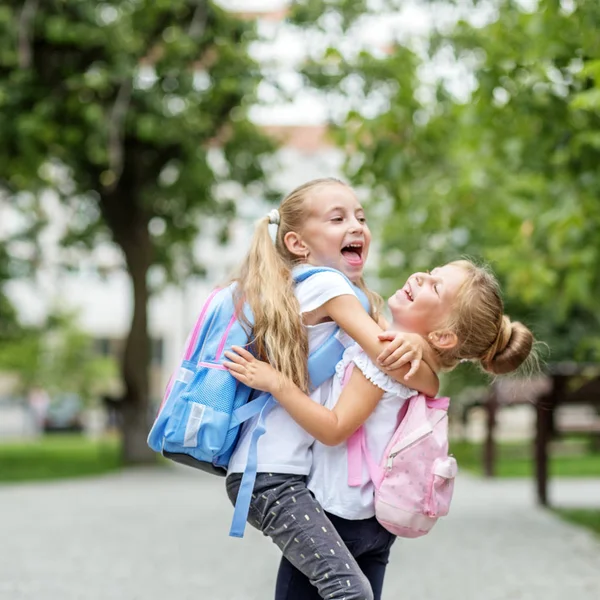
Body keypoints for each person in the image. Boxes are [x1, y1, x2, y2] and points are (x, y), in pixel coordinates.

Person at [225, 258, 535, 600]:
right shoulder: (411, 361)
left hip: (337, 513)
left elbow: (334, 428)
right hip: (375, 521)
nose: (420, 276)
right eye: (431, 273)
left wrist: (276, 384)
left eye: (434, 286)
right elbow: (429, 382)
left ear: (444, 336)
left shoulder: (383, 358)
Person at [224, 177, 440, 600]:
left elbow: (394, 365)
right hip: (272, 475)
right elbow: (392, 361)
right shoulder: (327, 285)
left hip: (279, 473)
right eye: (338, 218)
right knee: (349, 591)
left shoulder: (332, 292)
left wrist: (415, 360)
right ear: (298, 243)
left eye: (360, 216)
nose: (356, 226)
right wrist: (422, 359)